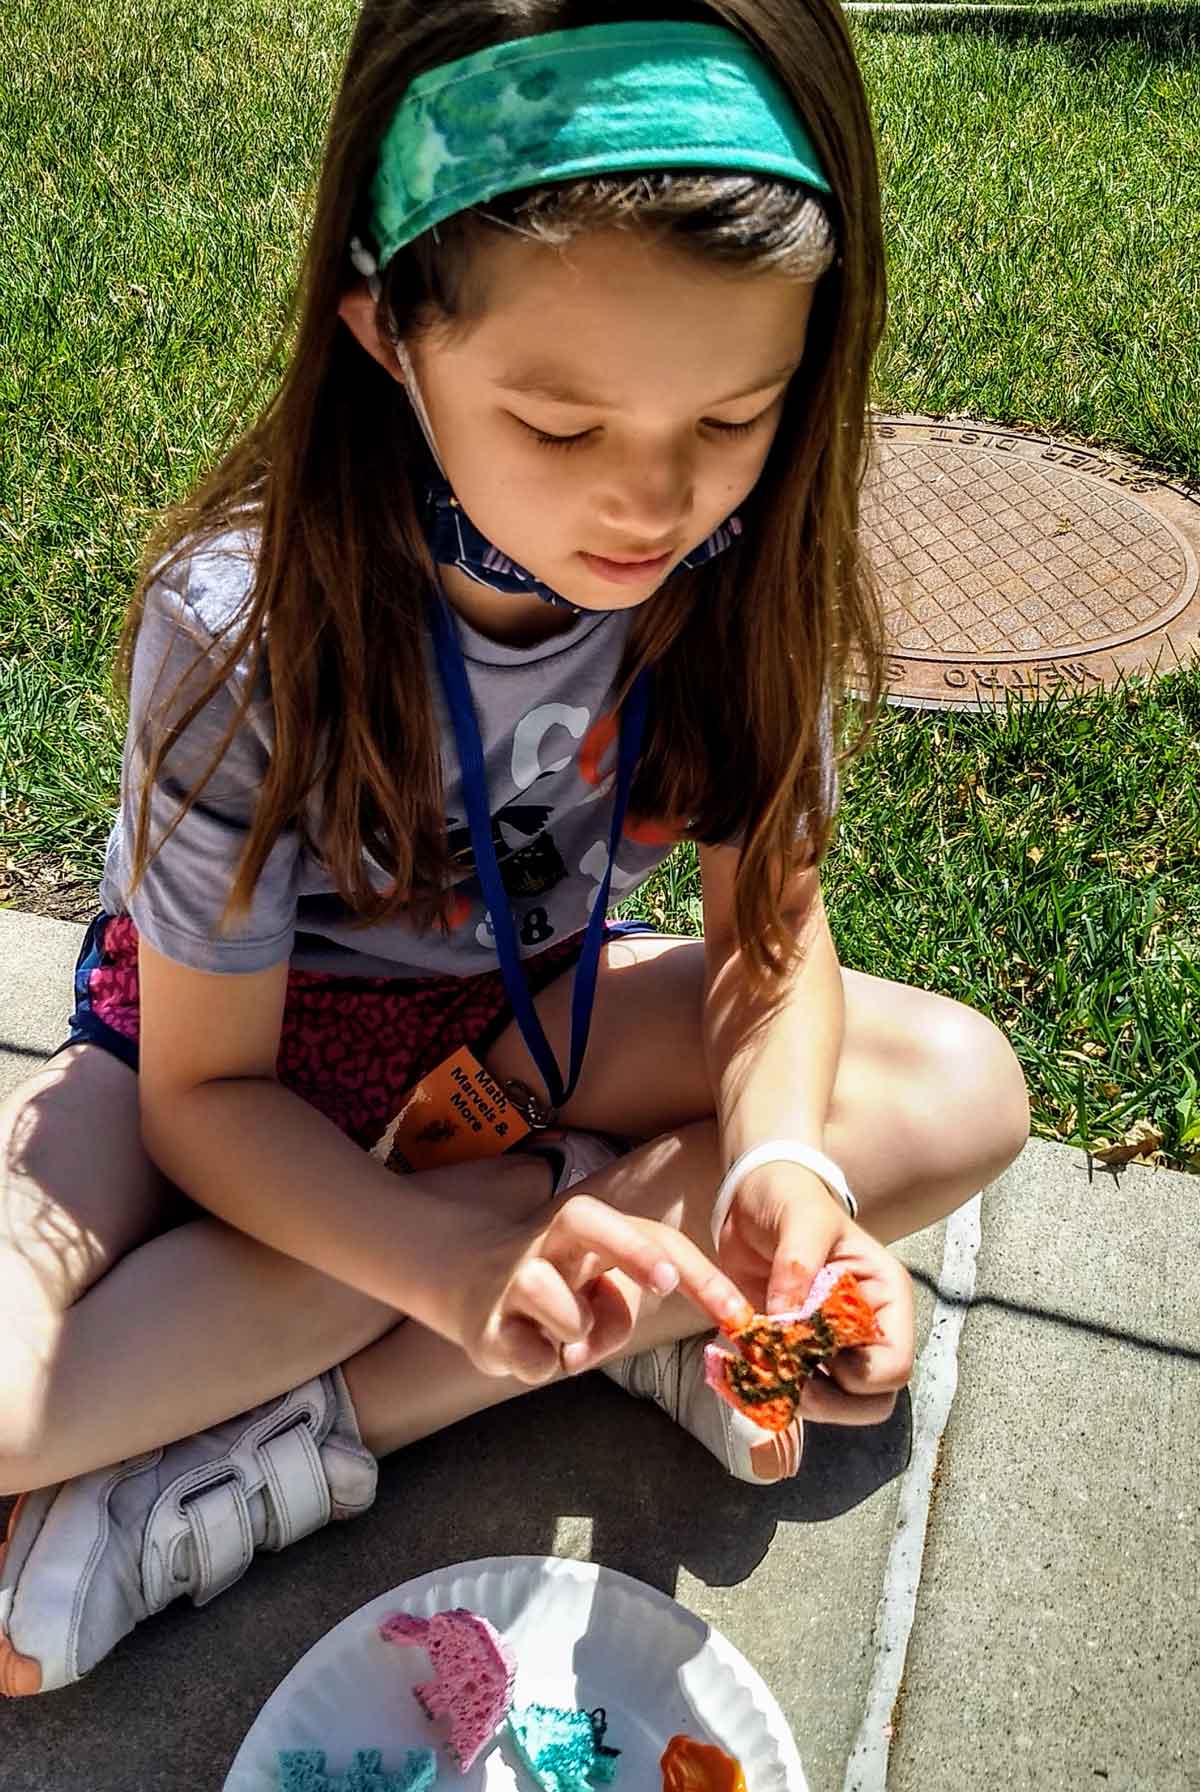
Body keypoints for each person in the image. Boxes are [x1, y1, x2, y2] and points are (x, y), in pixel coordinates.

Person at [0, 0, 1029, 1697]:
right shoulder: (246, 621)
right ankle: (607, 1302)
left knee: (959, 1088)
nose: (656, 503)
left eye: (737, 416)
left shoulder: (744, 565)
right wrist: (457, 1251)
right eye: (563, 429)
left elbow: (768, 940)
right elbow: (201, 1096)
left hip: (521, 1032)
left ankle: (296, 1441)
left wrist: (782, 1170)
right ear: (387, 333)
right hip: (232, 1077)